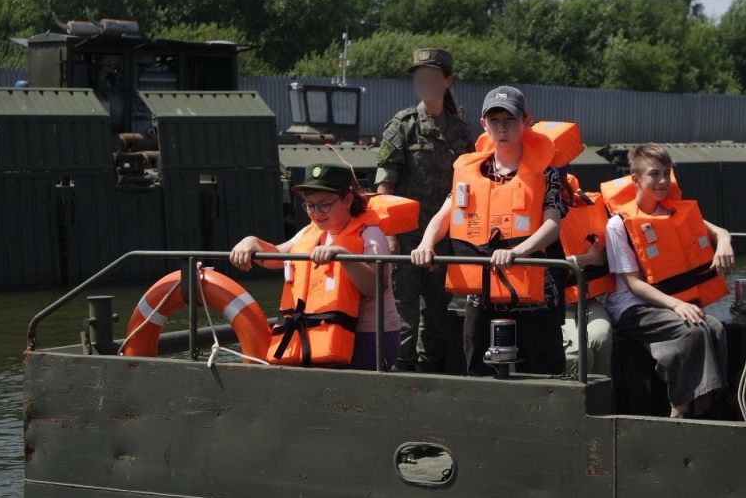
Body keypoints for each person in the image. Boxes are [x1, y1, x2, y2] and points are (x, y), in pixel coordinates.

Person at [410, 86, 567, 376]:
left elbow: (552, 225)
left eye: (509, 120)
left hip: (535, 297)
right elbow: (444, 215)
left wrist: (517, 252)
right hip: (481, 296)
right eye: (494, 120)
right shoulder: (469, 172)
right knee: (478, 374)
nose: (502, 128)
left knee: (542, 377)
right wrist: (426, 243)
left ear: (526, 121)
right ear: (484, 124)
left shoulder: (546, 172)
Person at [601, 145, 735, 418]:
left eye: (666, 173)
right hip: (632, 307)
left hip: (666, 303)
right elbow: (633, 284)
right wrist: (676, 305)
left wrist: (724, 242)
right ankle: (680, 409)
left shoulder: (671, 212)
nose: (663, 181)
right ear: (636, 179)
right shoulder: (618, 225)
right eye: (654, 174)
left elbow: (719, 231)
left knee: (716, 328)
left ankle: (708, 405)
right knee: (693, 331)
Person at [230, 163, 400, 369]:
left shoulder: (370, 234)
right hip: (324, 332)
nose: (317, 212)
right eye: (310, 205)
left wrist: (344, 257)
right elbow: (275, 257)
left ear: (347, 200)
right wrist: (251, 242)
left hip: (371, 336)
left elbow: (375, 286)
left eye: (325, 204)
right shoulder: (310, 232)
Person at [375, 47, 473, 372]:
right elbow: (384, 185)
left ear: (446, 81)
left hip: (443, 239)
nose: (424, 83)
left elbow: (470, 183)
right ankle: (399, 373)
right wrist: (389, 236)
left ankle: (431, 374)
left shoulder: (460, 131)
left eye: (431, 77)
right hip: (404, 239)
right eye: (420, 78)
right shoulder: (402, 125)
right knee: (403, 313)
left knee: (437, 314)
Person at [558, 171, 614, 378]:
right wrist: (587, 258)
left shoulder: (587, 205)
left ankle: (601, 396)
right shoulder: (533, 212)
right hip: (552, 306)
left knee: (601, 338)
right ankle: (575, 397)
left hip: (586, 299)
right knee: (577, 355)